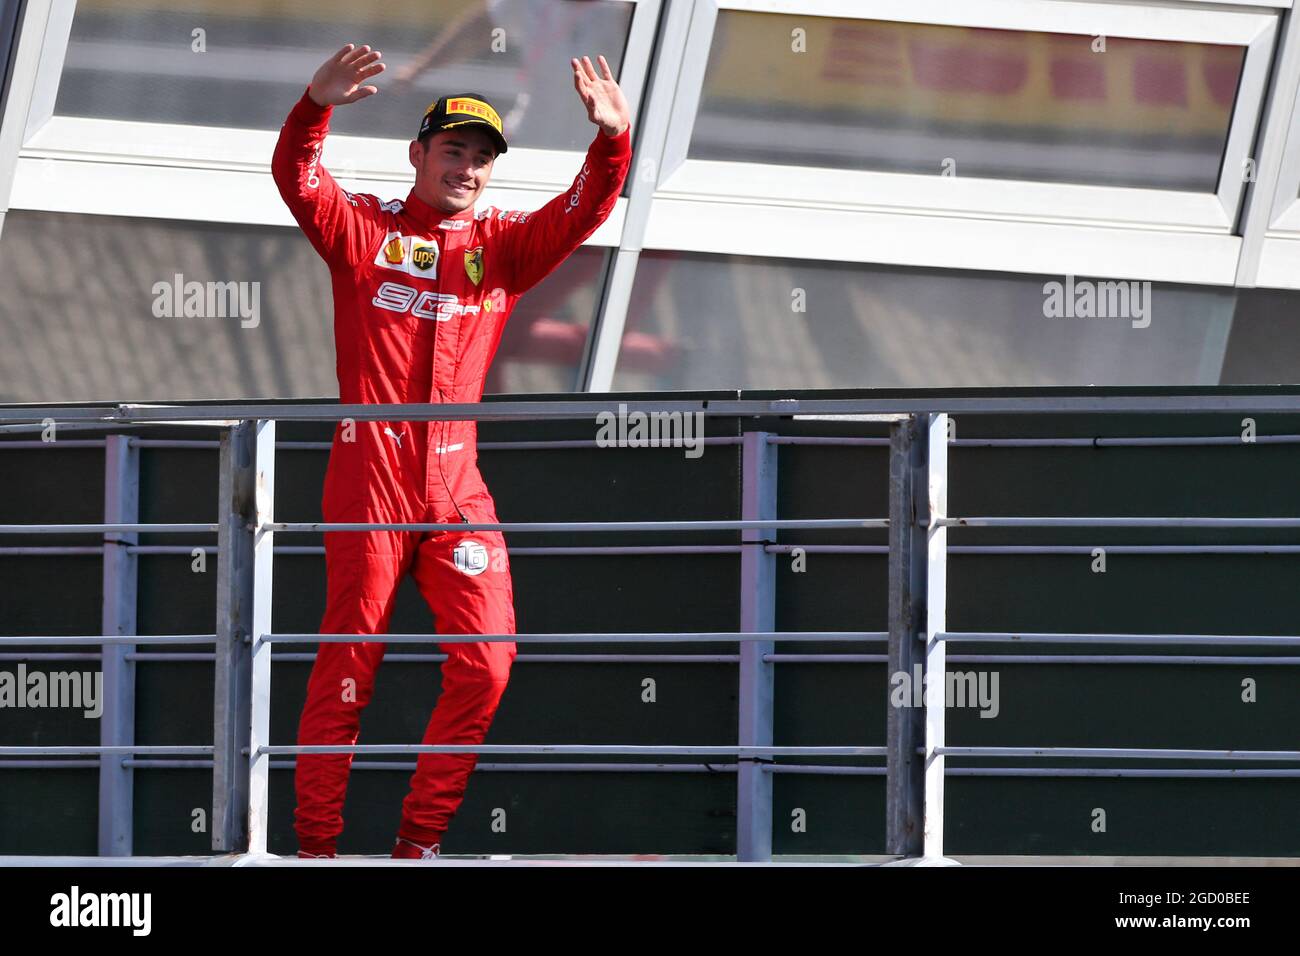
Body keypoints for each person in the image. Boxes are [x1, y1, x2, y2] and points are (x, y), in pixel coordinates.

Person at [272, 43, 632, 860]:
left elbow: (584, 209)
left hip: (457, 487)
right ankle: (316, 851)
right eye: (453, 151)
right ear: (418, 156)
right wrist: (312, 109)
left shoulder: (505, 246)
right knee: (348, 669)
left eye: (481, 158)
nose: (466, 168)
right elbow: (299, 181)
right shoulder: (364, 230)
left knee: (487, 665)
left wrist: (612, 140)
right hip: (368, 480)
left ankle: (418, 845)